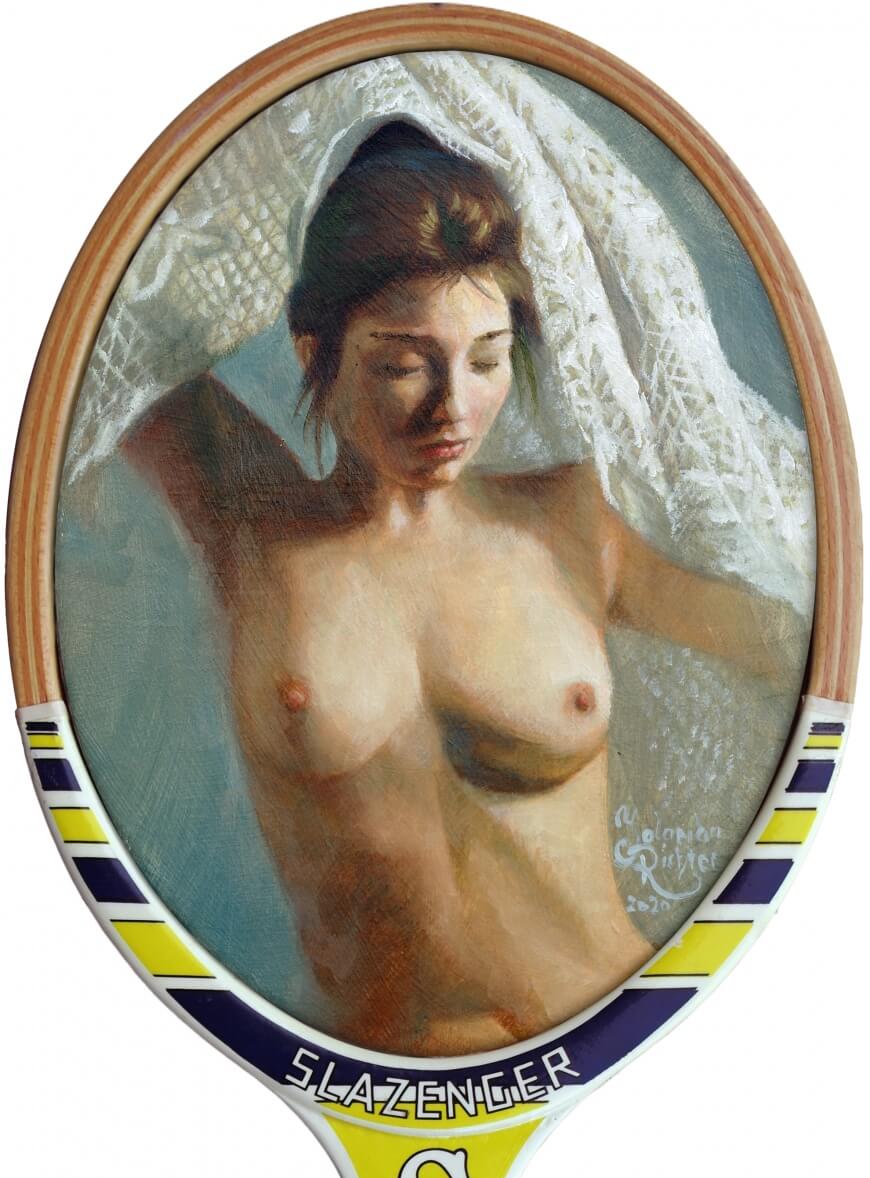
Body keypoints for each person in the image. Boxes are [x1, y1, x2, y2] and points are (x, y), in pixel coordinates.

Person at [125, 119, 803, 1057]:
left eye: (486, 359)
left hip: (628, 1049)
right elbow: (120, 321)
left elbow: (788, 646)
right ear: (314, 351)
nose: (452, 406)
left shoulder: (568, 524)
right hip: (380, 1080)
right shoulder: (250, 527)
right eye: (403, 364)